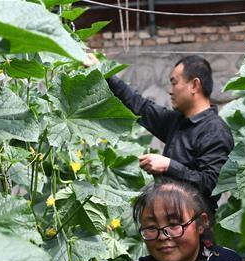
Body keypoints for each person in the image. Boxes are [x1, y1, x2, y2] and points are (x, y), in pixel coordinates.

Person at [86, 53, 234, 212]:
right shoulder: (177, 121)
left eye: (174, 83)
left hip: (195, 227)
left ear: (194, 85)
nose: (170, 91)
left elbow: (211, 185)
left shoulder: (215, 131)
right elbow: (139, 105)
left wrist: (169, 166)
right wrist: (104, 72)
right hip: (168, 219)